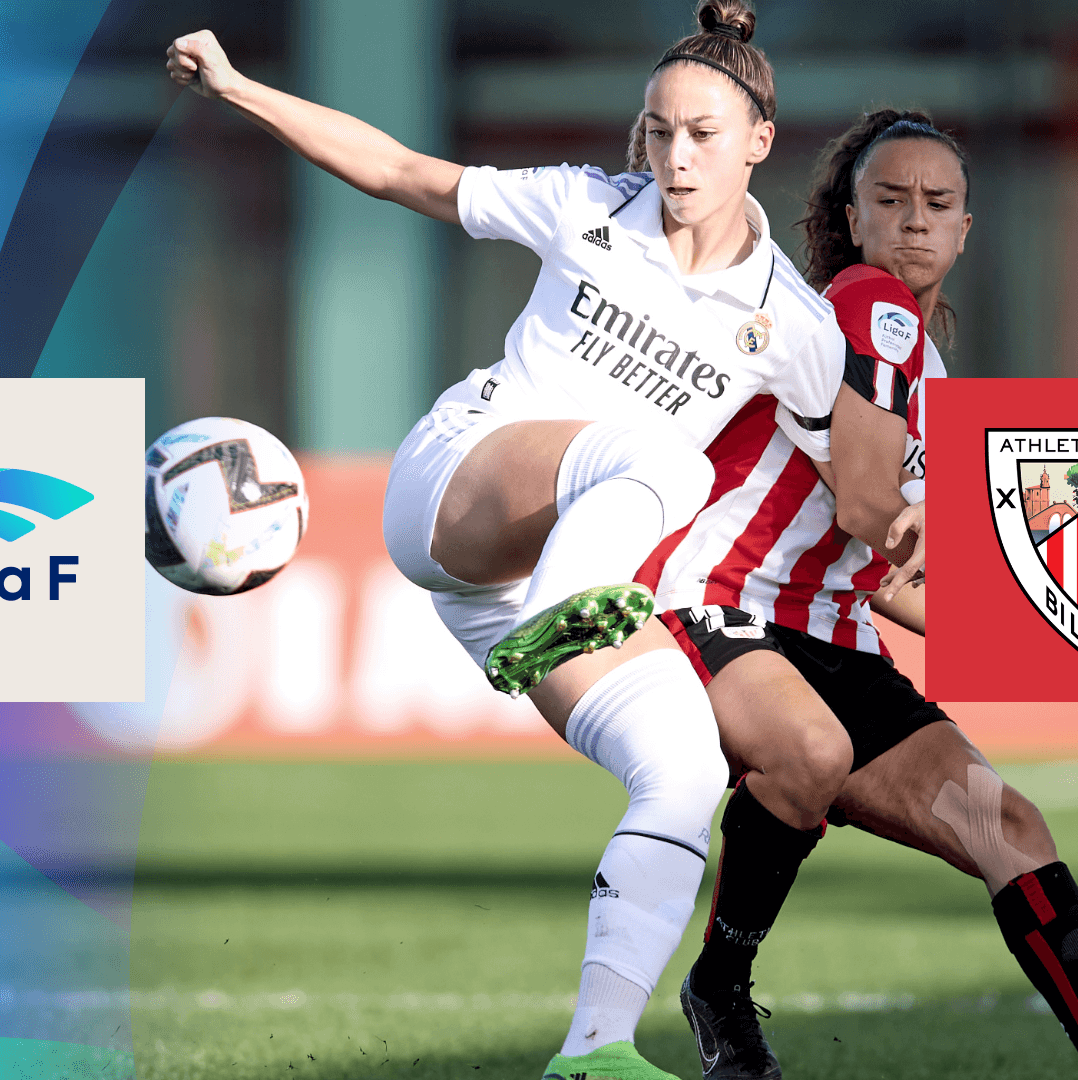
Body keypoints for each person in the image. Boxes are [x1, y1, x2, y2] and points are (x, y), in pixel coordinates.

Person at [166, 7, 917, 1079]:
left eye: (702, 134)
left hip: (528, 592)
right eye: (659, 130)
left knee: (685, 771)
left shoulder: (793, 325)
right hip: (459, 485)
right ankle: (572, 607)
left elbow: (861, 500)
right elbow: (400, 172)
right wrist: (237, 87)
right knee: (670, 460)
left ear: (759, 139)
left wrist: (945, 560)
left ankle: (595, 1052)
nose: (675, 157)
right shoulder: (585, 205)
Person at [638, 109, 1078, 1080]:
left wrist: (1053, 632)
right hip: (723, 603)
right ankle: (720, 983)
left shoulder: (925, 362)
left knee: (1011, 831)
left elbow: (889, 572)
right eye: (891, 199)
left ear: (966, 227)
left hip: (832, 633)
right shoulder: (867, 302)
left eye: (937, 202)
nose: (915, 218)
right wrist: (1050, 596)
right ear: (853, 219)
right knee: (811, 751)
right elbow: (870, 509)